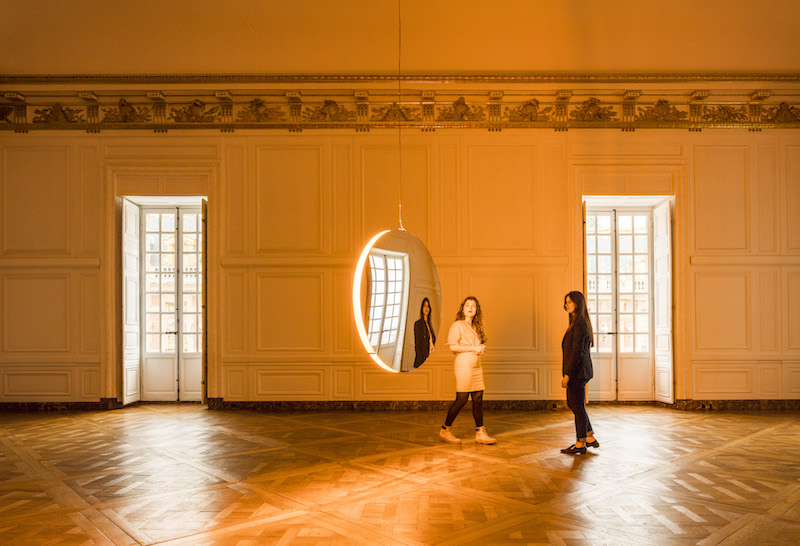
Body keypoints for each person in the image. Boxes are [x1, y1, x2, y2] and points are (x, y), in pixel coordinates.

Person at [439, 296, 496, 445]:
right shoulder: (457, 325)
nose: (471, 308)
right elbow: (452, 346)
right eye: (467, 305)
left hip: (477, 366)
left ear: (477, 310)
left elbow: (475, 346)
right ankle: (445, 430)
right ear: (462, 309)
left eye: (474, 306)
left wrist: (479, 349)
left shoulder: (476, 327)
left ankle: (480, 432)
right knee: (462, 399)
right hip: (463, 366)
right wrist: (473, 348)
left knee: (478, 398)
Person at [560, 291, 599, 455]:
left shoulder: (580, 324)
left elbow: (577, 352)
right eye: (566, 302)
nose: (566, 305)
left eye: (569, 302)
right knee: (576, 405)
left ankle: (580, 442)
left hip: (578, 372)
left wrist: (567, 374)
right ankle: (589, 437)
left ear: (578, 303)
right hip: (579, 371)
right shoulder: (577, 322)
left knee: (576, 406)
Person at [413, 298, 436, 368]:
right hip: (422, 359)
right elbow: (417, 344)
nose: (426, 308)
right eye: (425, 306)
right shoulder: (418, 324)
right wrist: (421, 363)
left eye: (428, 306)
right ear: (422, 308)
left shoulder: (429, 325)